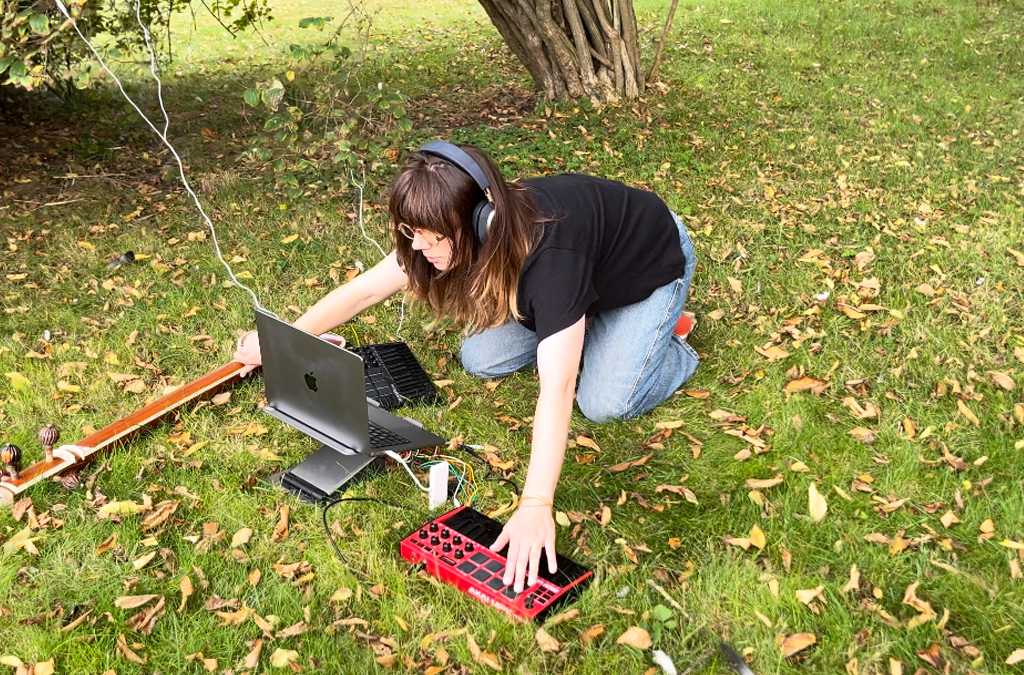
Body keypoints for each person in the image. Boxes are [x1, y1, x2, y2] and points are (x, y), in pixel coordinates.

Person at [234, 141, 699, 595]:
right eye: (411, 232)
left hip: (648, 263)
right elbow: (363, 292)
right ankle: (588, 322)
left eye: (431, 238)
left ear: (478, 222)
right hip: (580, 275)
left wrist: (536, 503)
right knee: (482, 359)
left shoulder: (553, 262)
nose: (418, 247)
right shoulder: (459, 227)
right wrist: (283, 341)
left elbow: (555, 391)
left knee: (604, 402)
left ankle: (665, 338)